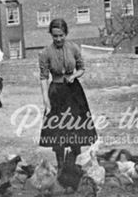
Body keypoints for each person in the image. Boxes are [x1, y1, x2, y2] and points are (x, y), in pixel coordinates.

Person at [38, 18, 97, 169]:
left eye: (61, 35)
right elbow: (44, 77)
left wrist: (74, 76)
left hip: (74, 93)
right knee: (58, 134)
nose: (58, 39)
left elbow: (82, 68)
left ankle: (70, 166)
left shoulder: (74, 48)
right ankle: (61, 167)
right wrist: (46, 100)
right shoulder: (45, 53)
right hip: (56, 94)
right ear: (51, 35)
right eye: (55, 36)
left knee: (76, 132)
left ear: (66, 34)